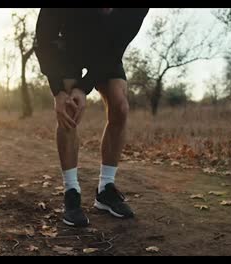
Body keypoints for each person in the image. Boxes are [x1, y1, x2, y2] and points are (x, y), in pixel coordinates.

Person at [34, 8, 149, 227]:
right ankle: (71, 191)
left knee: (120, 105)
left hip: (105, 50)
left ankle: (105, 189)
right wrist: (58, 91)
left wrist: (85, 86)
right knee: (70, 106)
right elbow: (43, 40)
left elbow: (116, 48)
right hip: (66, 44)